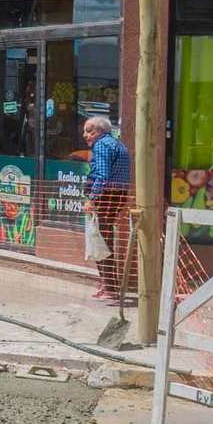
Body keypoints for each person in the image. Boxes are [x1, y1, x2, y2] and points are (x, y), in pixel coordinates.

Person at [83, 116, 132, 301]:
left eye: (89, 131)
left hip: (106, 196)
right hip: (117, 194)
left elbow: (102, 176)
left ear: (100, 131)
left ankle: (109, 287)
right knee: (104, 238)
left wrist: (92, 198)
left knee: (101, 240)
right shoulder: (117, 144)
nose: (85, 135)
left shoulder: (102, 145)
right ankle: (108, 284)